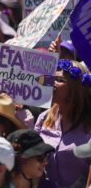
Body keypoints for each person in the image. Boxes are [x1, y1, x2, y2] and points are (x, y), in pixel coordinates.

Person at [35, 59, 91, 187]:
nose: (52, 83)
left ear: (77, 88)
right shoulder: (44, 118)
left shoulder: (89, 125)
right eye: (52, 78)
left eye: (59, 80)